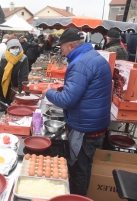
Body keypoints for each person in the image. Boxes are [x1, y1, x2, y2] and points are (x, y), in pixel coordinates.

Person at [45, 28, 112, 196]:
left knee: (78, 171)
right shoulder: (94, 56)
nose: (61, 51)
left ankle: (77, 197)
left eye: (62, 47)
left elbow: (68, 100)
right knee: (86, 166)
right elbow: (88, 89)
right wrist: (65, 87)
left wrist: (48, 91)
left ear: (71, 45)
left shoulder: (80, 63)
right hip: (97, 124)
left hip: (85, 128)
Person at [0, 37, 29, 112]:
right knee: (7, 112)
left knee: (16, 111)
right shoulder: (4, 57)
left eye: (17, 47)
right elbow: (0, 74)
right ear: (8, 48)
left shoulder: (23, 58)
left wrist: (22, 93)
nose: (15, 49)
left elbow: (23, 77)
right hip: (6, 89)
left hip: (17, 90)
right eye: (13, 47)